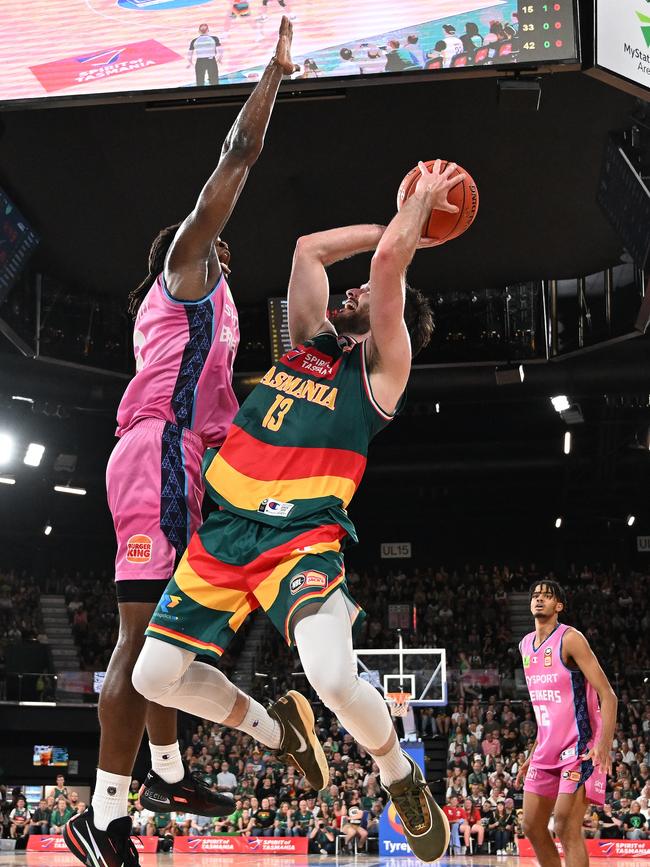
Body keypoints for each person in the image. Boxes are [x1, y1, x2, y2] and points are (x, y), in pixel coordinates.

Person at [132, 160, 463, 862]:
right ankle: (279, 731)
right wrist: (391, 227)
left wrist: (417, 221)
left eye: (367, 289)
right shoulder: (305, 344)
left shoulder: (381, 370)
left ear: (387, 309)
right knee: (151, 676)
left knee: (336, 676)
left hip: (301, 538)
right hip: (225, 529)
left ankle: (399, 775)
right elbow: (308, 248)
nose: (354, 289)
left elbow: (390, 268)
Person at [64, 19, 296, 867]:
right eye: (215, 244)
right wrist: (272, 78)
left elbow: (235, 419)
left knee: (169, 636)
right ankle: (103, 816)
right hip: (154, 453)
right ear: (189, 254)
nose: (225, 249)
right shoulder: (187, 275)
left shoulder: (221, 325)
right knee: (138, 638)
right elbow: (233, 164)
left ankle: (163, 768)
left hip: (184, 461)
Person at [518, 581, 617, 867]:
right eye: (535, 596)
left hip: (579, 750)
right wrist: (531, 754)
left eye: (547, 597)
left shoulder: (571, 639)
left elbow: (608, 696)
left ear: (558, 606)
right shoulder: (524, 645)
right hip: (545, 751)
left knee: (564, 826)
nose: (539, 600)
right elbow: (547, 708)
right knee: (532, 827)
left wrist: (604, 746)